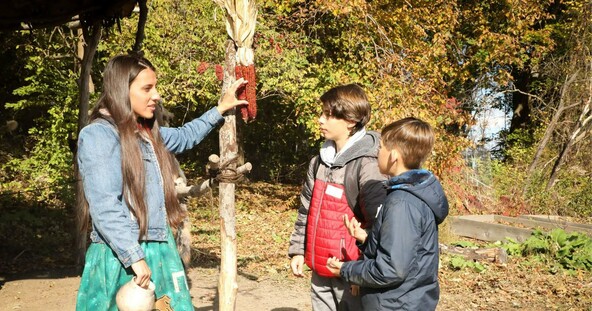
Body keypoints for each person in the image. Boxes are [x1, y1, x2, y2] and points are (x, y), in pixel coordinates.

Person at [75, 54, 247, 310]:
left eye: (155, 87)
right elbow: (105, 206)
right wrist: (134, 257)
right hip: (120, 254)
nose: (156, 95)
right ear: (122, 90)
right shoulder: (98, 135)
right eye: (147, 88)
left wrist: (220, 109)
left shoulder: (146, 134)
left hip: (158, 247)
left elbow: (185, 136)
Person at [326, 117, 449, 311]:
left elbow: (391, 269)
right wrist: (366, 239)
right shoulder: (410, 194)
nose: (377, 153)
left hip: (396, 304)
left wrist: (345, 269)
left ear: (393, 156)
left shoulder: (402, 202)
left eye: (381, 147)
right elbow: (406, 251)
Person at [288, 84, 386, 311]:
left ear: (351, 121)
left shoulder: (367, 164)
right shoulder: (318, 161)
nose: (320, 120)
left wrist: (362, 272)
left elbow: (379, 226)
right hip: (320, 268)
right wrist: (298, 251)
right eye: (322, 113)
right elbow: (305, 211)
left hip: (350, 273)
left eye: (328, 115)